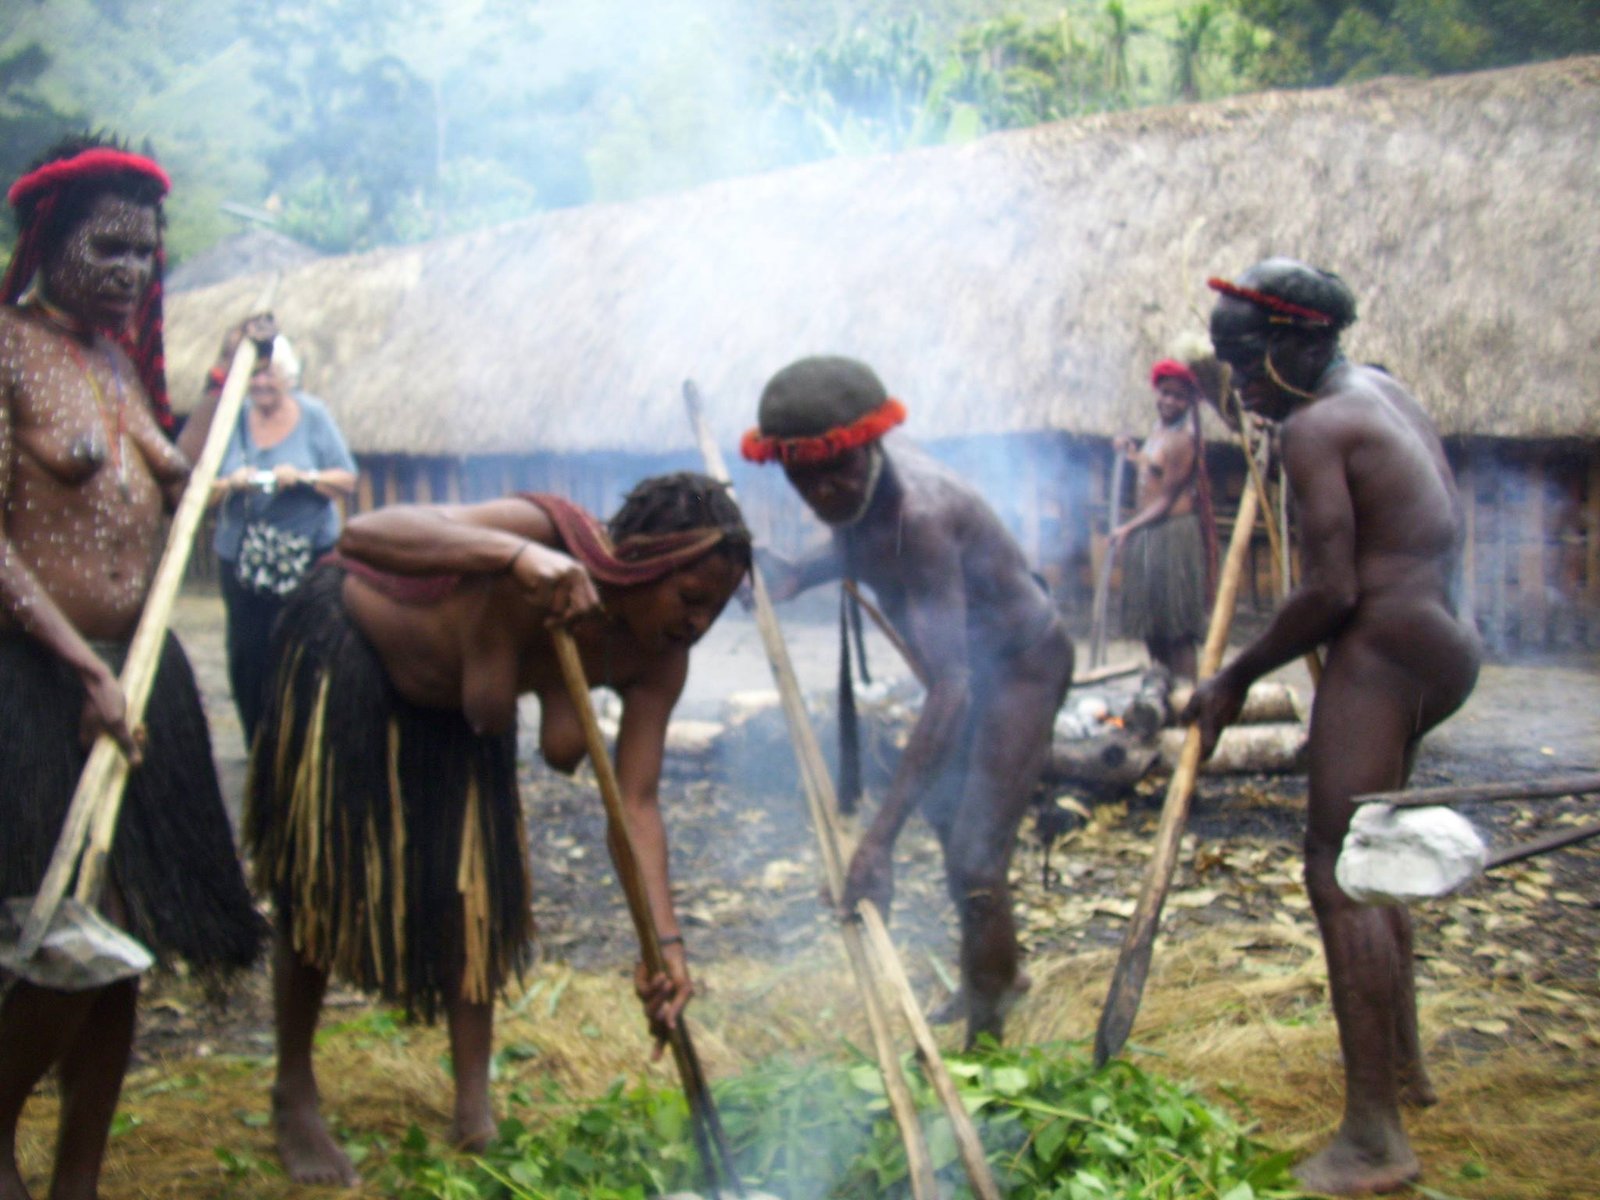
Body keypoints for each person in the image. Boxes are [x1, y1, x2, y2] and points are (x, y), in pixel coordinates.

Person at [245, 473, 751, 1186]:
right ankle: (293, 1089)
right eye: (690, 598)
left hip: (467, 716)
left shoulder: (661, 657)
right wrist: (513, 558)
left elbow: (635, 804)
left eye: (716, 610)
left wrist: (667, 950)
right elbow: (362, 535)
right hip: (356, 651)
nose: (698, 624)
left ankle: (474, 1115)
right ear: (644, 564)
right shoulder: (545, 533)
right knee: (323, 883)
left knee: (477, 897)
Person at [0, 137, 264, 1200]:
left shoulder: (115, 365)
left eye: (147, 253)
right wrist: (80, 668)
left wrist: (222, 376)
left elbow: (178, 476)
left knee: (124, 943)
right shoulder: (6, 350)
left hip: (139, 671)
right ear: (49, 242)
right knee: (61, 933)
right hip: (36, 682)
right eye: (108, 247)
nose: (131, 271)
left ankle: (80, 1176)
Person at [1186, 259, 1481, 1196]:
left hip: (1385, 654)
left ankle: (1374, 1137)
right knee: (1378, 850)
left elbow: (1329, 592)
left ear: (1299, 341)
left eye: (1247, 362)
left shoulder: (1317, 426)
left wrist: (1234, 676)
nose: (1238, 383)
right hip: (1443, 646)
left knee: (1339, 869)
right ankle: (1408, 1070)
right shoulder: (1379, 391)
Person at [743, 356, 1073, 1049]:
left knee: (977, 857)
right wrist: (796, 575)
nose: (822, 492)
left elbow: (952, 688)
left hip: (1021, 668)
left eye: (836, 472)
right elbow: (859, 538)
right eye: (804, 479)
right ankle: (996, 974)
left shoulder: (922, 517)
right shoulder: (863, 483)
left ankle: (988, 1048)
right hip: (965, 673)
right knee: (955, 829)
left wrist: (876, 842)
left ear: (868, 446)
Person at [205, 320, 357, 745]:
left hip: (307, 557)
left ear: (288, 376)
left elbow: (346, 479)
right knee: (247, 655)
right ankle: (258, 743)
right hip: (242, 560)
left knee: (306, 649)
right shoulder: (230, 419)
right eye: (254, 374)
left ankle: (305, 742)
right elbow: (201, 488)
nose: (261, 383)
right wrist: (232, 482)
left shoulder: (314, 416)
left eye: (269, 374)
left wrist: (304, 478)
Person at [1110, 359, 1216, 681]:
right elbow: (1150, 470)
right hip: (1148, 533)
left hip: (1172, 535)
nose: (1169, 401)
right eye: (1165, 393)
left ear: (1191, 401)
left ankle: (1186, 693)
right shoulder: (1158, 431)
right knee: (1151, 625)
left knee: (1176, 629)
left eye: (1179, 397)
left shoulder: (1185, 439)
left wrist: (1128, 527)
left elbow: (1167, 499)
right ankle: (1162, 688)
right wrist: (1130, 453)